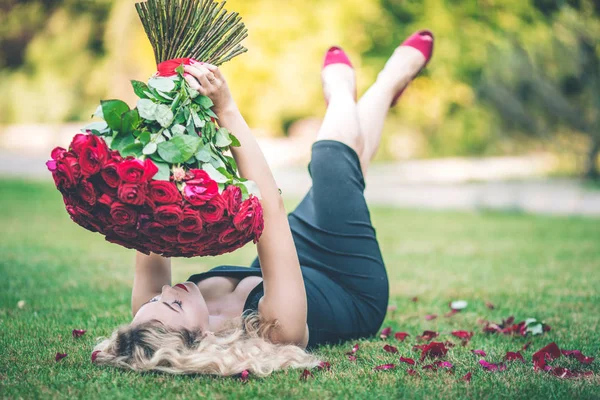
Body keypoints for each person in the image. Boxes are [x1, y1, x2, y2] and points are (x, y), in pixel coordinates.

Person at [92, 30, 434, 377]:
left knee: (346, 170)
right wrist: (226, 110)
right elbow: (270, 209)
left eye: (155, 299)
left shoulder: (150, 322)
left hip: (294, 256)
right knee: (331, 160)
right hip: (350, 284)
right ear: (201, 341)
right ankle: (344, 89)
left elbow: (151, 216)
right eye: (174, 303)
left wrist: (164, 116)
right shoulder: (274, 330)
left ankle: (387, 86)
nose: (166, 290)